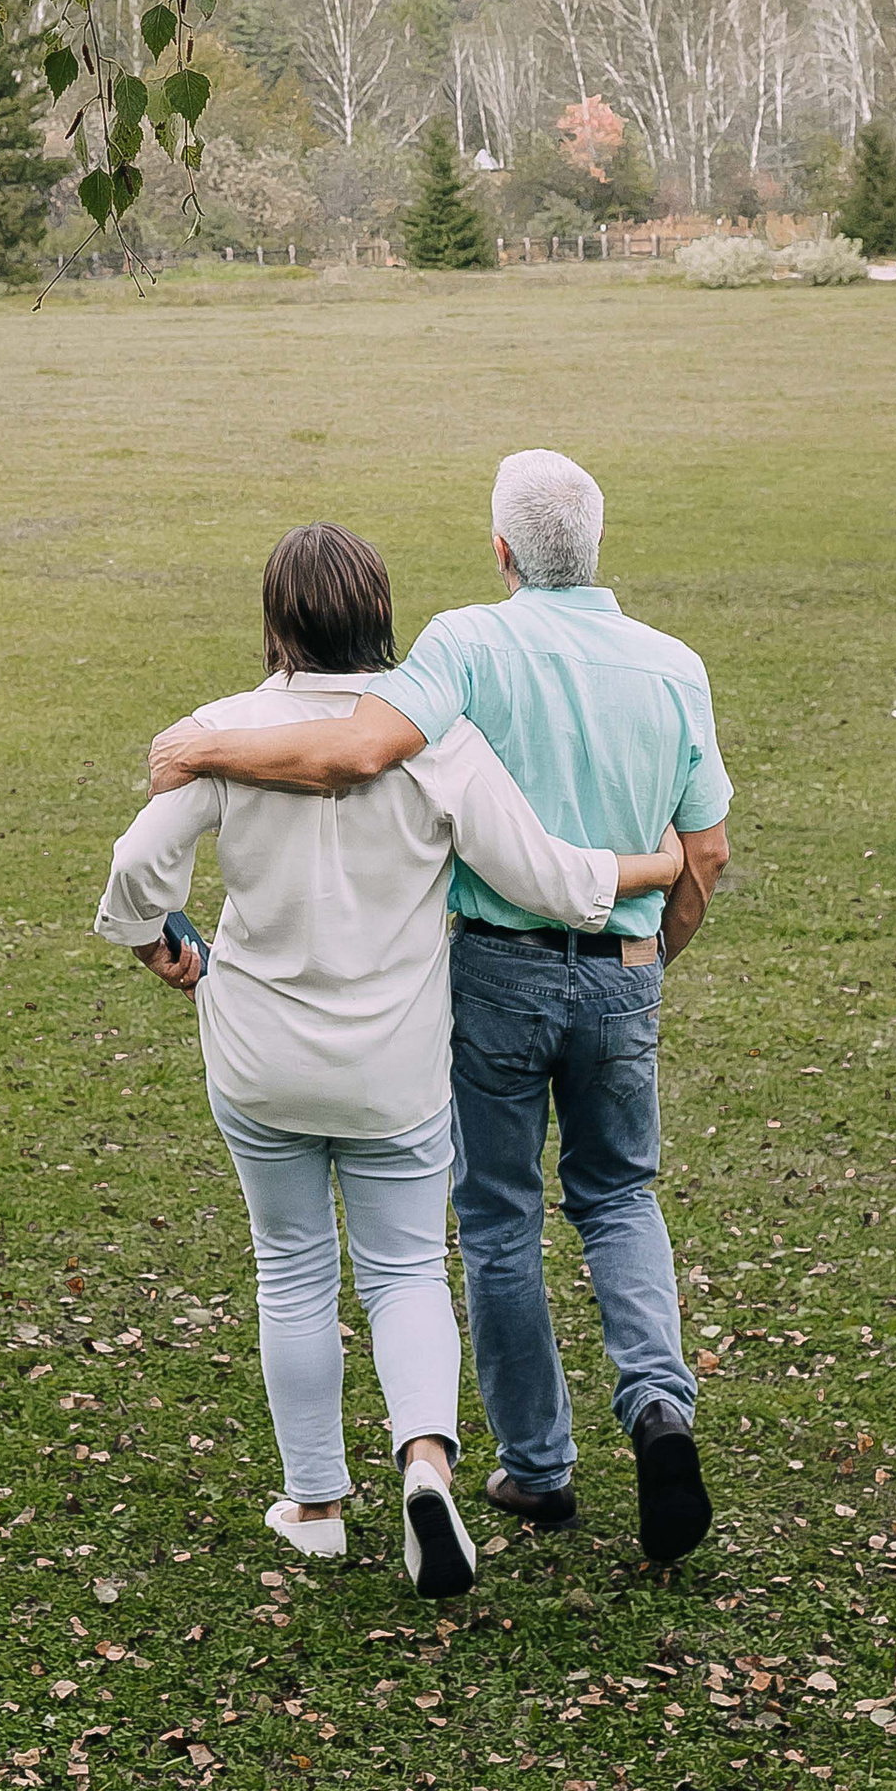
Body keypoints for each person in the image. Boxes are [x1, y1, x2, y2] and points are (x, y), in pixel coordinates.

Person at [147, 448, 731, 1564]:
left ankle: (536, 1469)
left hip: (497, 972)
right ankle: (659, 1407)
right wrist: (652, 949)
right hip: (622, 963)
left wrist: (204, 748)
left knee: (499, 1217)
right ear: (596, 547)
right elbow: (704, 849)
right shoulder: (675, 665)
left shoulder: (465, 642)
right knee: (619, 1197)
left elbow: (357, 749)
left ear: (501, 549)